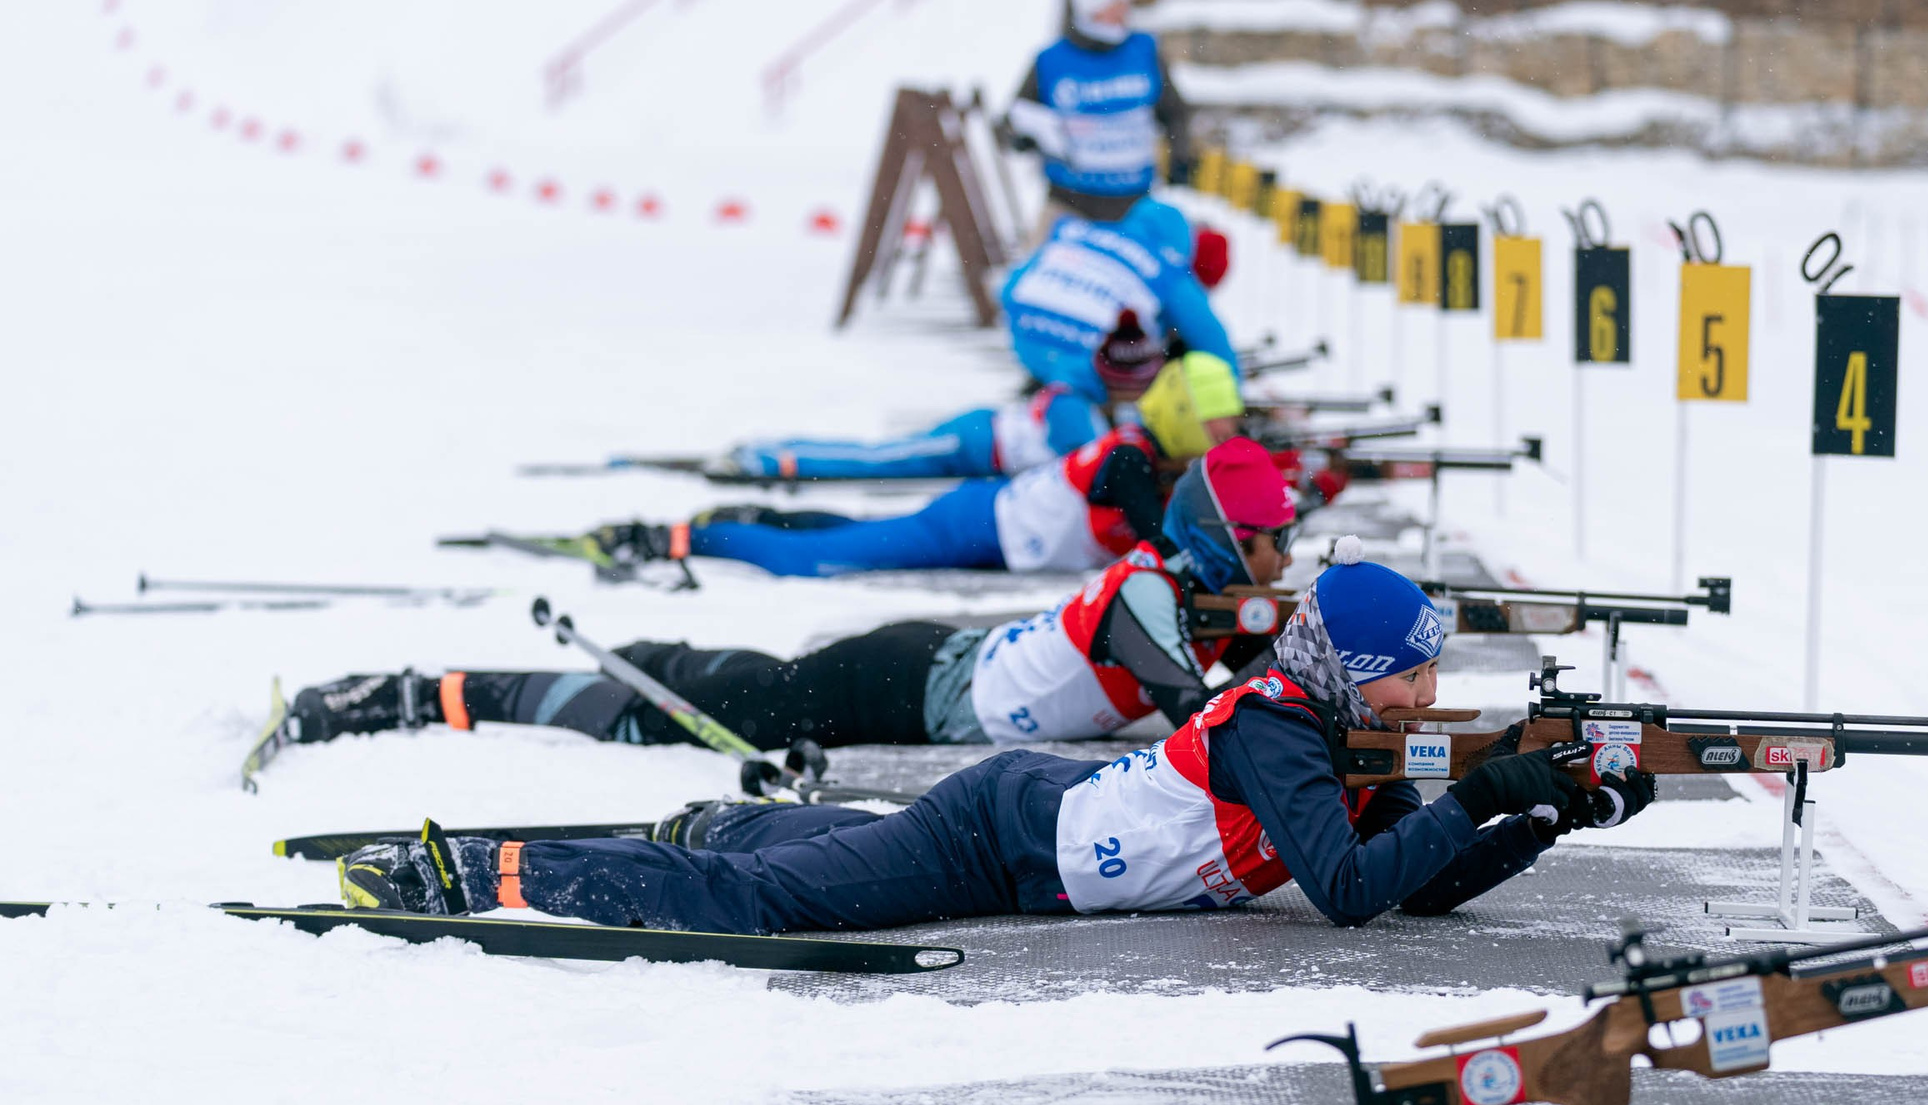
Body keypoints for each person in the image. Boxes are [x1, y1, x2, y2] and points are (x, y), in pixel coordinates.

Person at [338, 543, 1656, 930]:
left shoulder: (1326, 737)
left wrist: (1542, 813)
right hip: (1008, 825)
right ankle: (488, 871)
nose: (1431, 699)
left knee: (819, 862)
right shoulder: (1278, 733)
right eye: (1416, 677)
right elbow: (1357, 895)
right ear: (1360, 673)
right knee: (758, 908)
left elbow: (1420, 883)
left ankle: (724, 819)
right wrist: (1486, 779)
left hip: (1035, 831)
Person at [285, 443, 1297, 754]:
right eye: (1272, 541)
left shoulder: (1177, 593)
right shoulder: (1149, 597)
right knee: (679, 718)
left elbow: (1250, 689)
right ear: (1220, 538)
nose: (1281, 558)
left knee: (719, 692)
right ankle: (424, 692)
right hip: (900, 684)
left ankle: (652, 654)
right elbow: (1207, 720)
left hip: (927, 665)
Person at [565, 352, 1246, 580]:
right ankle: (680, 537)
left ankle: (750, 517)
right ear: (1186, 415)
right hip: (975, 528)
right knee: (819, 560)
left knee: (852, 536)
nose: (1225, 436)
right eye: (1219, 424)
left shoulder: (1140, 454)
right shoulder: (1129, 461)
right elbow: (1165, 539)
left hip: (987, 533)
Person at [719, 313, 1166, 485]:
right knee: (879, 459)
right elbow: (1098, 466)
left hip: (981, 442)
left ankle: (778, 453)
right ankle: (774, 458)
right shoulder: (1075, 407)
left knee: (881, 457)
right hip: (972, 442)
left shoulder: (1090, 394)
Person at [1008, 0, 1193, 224]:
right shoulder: (1051, 60)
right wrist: (1027, 136)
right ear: (1091, 6)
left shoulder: (1144, 50)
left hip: (1136, 202)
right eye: (1114, 5)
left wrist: (1181, 157)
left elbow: (1174, 112)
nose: (1123, 13)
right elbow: (1016, 118)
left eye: (1125, 3)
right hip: (1069, 202)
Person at [1001, 196, 1235, 402]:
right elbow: (1208, 333)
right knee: (1132, 355)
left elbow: (1011, 285)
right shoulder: (1166, 265)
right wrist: (1231, 390)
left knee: (1063, 369)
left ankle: (1049, 381)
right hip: (1091, 359)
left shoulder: (1080, 232)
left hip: (1025, 333)